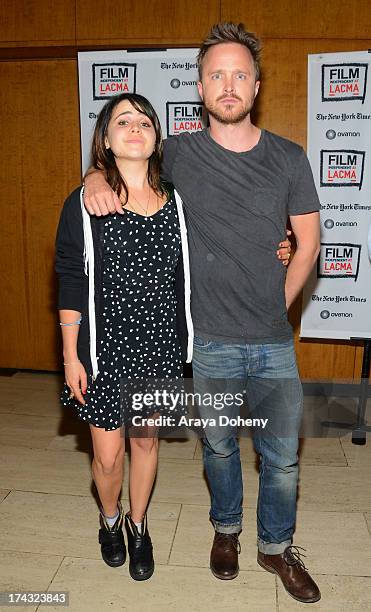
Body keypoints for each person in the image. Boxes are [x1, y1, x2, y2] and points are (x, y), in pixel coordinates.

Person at [83, 21, 320, 602]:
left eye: (240, 74)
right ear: (200, 87)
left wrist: (276, 302)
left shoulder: (289, 158)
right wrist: (91, 175)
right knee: (217, 448)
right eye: (217, 74)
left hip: (271, 340)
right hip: (207, 340)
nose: (229, 84)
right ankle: (226, 531)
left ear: (257, 86)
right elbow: (123, 159)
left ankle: (275, 545)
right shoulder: (178, 155)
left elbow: (307, 244)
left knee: (282, 457)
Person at [55, 93, 194, 580]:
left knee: (146, 443)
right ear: (107, 140)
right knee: (108, 457)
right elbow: (71, 277)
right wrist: (71, 357)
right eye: (123, 121)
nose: (135, 128)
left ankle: (138, 525)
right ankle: (108, 518)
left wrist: (281, 247)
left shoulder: (177, 200)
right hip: (105, 351)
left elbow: (222, 245)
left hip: (157, 347)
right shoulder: (86, 201)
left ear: (156, 137)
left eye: (143, 121)